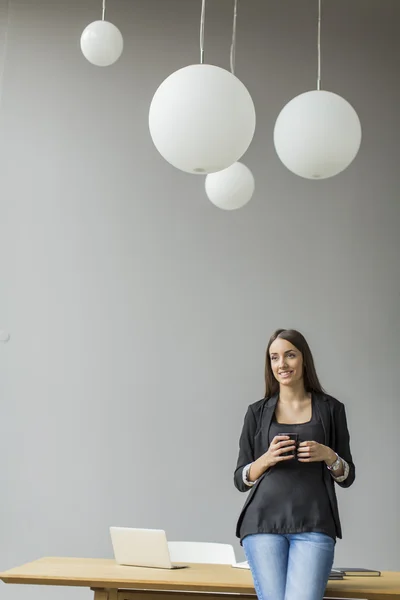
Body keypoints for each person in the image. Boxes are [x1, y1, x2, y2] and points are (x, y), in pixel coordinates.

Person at [234, 329, 355, 600]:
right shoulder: (257, 412)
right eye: (274, 358)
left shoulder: (332, 410)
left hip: (314, 524)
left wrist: (328, 455)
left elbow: (347, 476)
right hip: (262, 525)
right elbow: (240, 478)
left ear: (304, 360)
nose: (282, 364)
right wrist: (265, 460)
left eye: (290, 355)